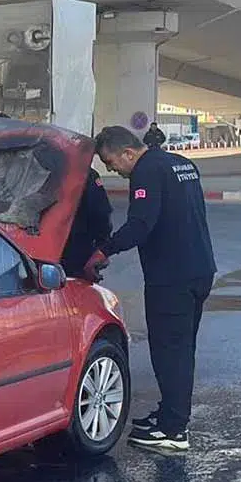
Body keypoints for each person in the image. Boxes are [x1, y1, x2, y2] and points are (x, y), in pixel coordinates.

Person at [86, 125, 217, 453]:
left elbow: (141, 225)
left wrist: (104, 251)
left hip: (171, 277)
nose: (113, 169)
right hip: (199, 269)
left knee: (169, 351)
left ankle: (174, 432)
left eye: (112, 162)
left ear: (128, 152)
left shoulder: (146, 172)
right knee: (182, 349)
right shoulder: (182, 163)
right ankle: (170, 414)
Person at [60, 166, 113, 279]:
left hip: (40, 248)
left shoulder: (36, 171)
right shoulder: (85, 173)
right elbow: (101, 212)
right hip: (77, 247)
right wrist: (102, 245)